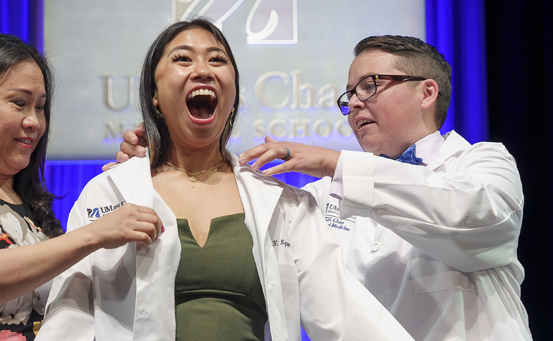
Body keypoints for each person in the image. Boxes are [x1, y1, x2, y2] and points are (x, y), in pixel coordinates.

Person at [118, 35, 532, 340]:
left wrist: (334, 162)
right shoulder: (318, 199)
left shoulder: (483, 164)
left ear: (427, 92)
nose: (353, 103)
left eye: (370, 86)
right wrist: (156, 171)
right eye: (350, 93)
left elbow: (475, 219)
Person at [36, 19, 413, 341]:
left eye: (217, 60)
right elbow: (70, 316)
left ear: (233, 94)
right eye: (182, 59)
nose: (203, 70)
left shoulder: (281, 202)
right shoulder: (108, 192)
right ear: (153, 94)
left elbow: (345, 316)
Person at [0, 33, 161, 340]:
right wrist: (95, 234)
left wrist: (133, 175)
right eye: (19, 103)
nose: (34, 121)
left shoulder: (33, 210)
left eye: (40, 107)